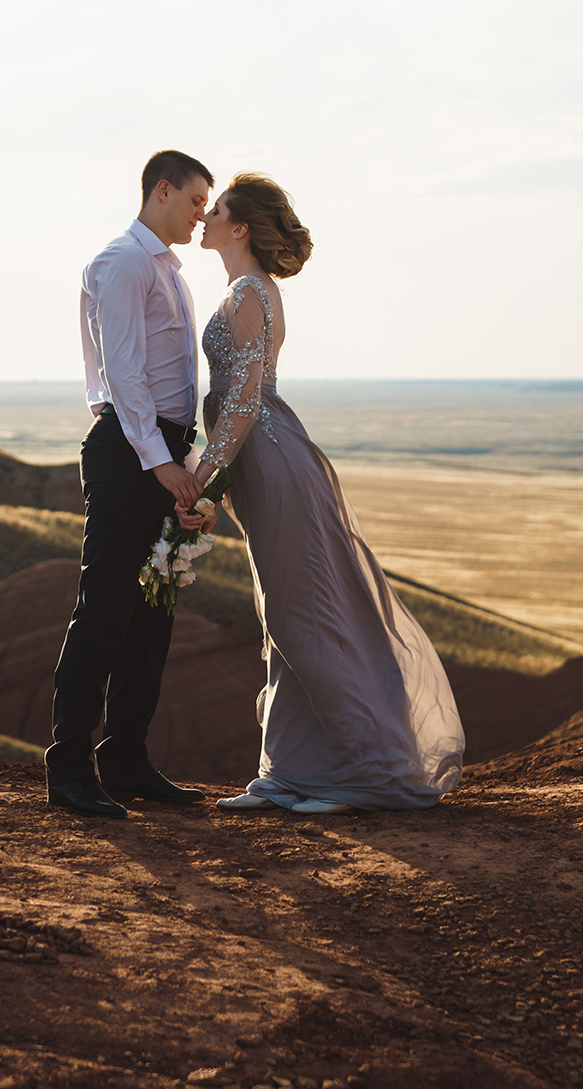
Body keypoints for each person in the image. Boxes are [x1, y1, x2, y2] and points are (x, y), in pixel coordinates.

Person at [179, 173, 465, 814]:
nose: (205, 216)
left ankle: (368, 775)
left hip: (273, 461)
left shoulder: (251, 292)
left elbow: (247, 396)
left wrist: (205, 476)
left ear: (240, 227)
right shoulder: (244, 289)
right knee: (284, 619)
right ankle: (293, 773)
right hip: (260, 464)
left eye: (216, 209)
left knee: (303, 620)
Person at [45, 149, 214, 819]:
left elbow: (172, 381)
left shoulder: (166, 269)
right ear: (163, 190)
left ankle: (127, 761)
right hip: (129, 452)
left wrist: (187, 464)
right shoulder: (122, 262)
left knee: (153, 614)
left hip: (163, 452)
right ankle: (69, 771)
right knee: (105, 609)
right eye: (197, 200)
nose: (203, 214)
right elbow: (124, 374)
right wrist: (160, 463)